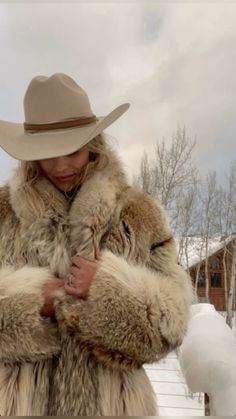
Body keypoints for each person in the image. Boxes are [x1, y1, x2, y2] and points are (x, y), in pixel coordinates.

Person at [0, 73, 193, 416]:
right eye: (47, 153)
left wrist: (105, 289)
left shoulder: (136, 212)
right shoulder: (3, 213)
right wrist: (32, 302)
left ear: (94, 142)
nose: (60, 165)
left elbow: (172, 324)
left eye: (72, 149)